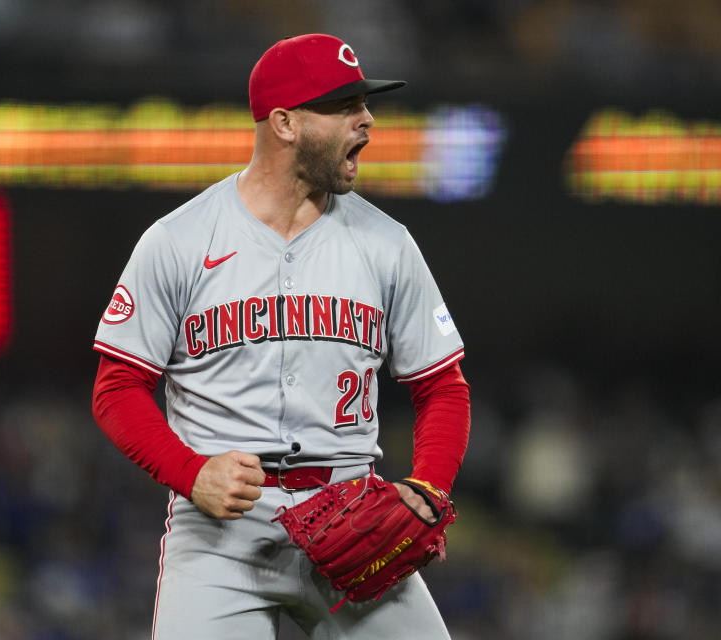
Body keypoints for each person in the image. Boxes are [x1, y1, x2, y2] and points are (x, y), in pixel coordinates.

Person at [91, 33, 471, 639]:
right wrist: (190, 474)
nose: (366, 119)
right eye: (345, 105)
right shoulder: (180, 241)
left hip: (354, 516)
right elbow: (116, 389)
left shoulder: (387, 243)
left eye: (364, 104)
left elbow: (442, 386)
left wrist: (428, 487)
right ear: (286, 123)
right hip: (219, 534)